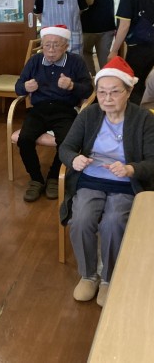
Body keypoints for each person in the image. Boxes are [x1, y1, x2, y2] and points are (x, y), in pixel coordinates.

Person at [59, 57, 154, 307]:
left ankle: (109, 278)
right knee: (81, 219)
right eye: (101, 92)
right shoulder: (89, 115)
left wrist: (131, 168)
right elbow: (66, 148)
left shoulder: (144, 119)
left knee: (114, 221)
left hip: (125, 183)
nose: (107, 98)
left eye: (114, 92)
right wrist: (74, 159)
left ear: (129, 91)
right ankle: (88, 275)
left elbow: (152, 161)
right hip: (91, 179)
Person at [15, 25, 93, 202]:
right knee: (24, 139)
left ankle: (53, 177)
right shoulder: (35, 61)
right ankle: (36, 179)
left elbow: (88, 90)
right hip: (39, 109)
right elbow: (18, 87)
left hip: (65, 110)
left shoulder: (76, 61)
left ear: (66, 46)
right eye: (47, 45)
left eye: (56, 45)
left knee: (67, 141)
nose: (50, 50)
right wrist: (25, 87)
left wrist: (72, 86)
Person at [107, 0, 154, 105]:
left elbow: (124, 25)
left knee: (133, 84)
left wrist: (114, 50)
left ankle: (135, 116)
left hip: (139, 48)